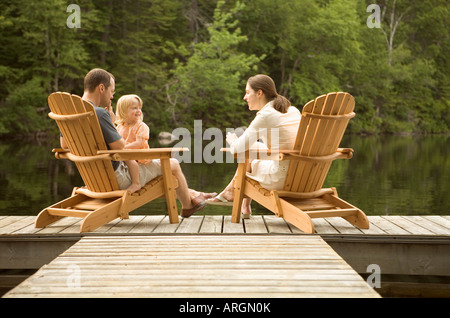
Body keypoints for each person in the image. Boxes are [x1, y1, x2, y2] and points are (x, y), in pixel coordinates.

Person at [61, 68, 213, 217]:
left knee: (165, 171)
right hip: (117, 177)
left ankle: (193, 195)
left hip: (93, 179)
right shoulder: (99, 113)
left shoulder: (70, 114)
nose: (112, 97)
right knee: (172, 164)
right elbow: (120, 147)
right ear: (101, 88)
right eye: (111, 91)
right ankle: (187, 206)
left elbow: (64, 146)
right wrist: (112, 122)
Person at [206, 74, 301, 219]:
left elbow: (237, 149)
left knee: (247, 157)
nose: (245, 97)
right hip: (300, 174)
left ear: (259, 93)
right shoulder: (292, 110)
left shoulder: (265, 116)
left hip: (281, 178)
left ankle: (230, 193)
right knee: (252, 148)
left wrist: (232, 141)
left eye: (247, 92)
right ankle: (241, 203)